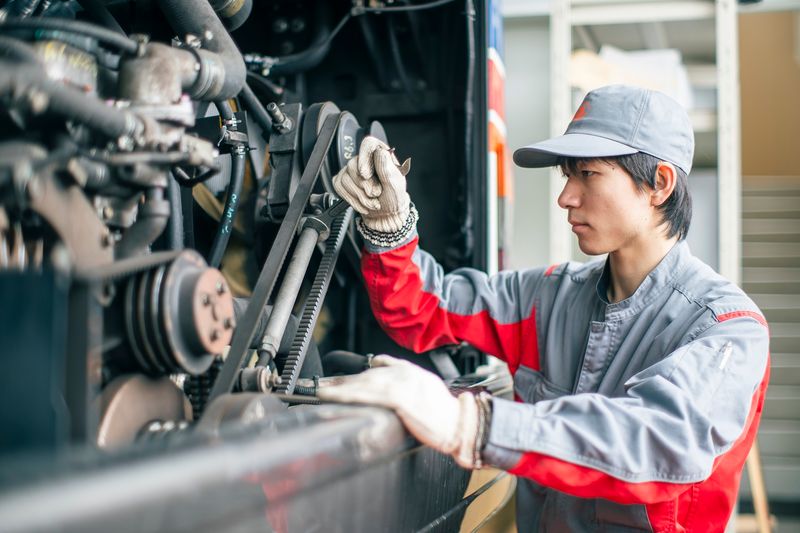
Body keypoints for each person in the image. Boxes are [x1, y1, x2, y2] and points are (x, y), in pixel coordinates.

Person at [318, 84, 770, 532]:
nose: (566, 197)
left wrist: (470, 425)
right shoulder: (548, 296)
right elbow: (425, 308)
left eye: (588, 174)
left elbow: (658, 441)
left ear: (660, 185)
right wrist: (390, 225)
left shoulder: (725, 328)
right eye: (567, 176)